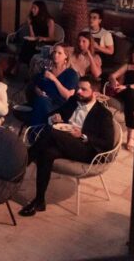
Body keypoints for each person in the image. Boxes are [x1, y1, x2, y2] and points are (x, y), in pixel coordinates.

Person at [19, 77, 115, 217]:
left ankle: (20, 164)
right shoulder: (73, 101)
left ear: (94, 93)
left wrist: (83, 135)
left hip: (86, 149)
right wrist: (54, 118)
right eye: (78, 88)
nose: (79, 91)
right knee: (46, 152)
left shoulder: (103, 114)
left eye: (83, 89)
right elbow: (55, 114)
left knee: (51, 133)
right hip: (63, 142)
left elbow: (107, 143)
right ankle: (39, 201)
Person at [26, 45, 79, 126]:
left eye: (59, 53)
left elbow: (68, 96)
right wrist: (38, 91)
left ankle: (35, 131)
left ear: (66, 57)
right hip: (42, 99)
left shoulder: (71, 73)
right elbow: (36, 84)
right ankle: (37, 131)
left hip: (58, 105)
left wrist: (54, 79)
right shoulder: (48, 68)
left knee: (41, 103)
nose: (55, 55)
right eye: (54, 52)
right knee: (41, 101)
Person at [19, 0, 57, 67]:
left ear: (41, 9)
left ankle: (26, 66)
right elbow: (32, 36)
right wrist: (30, 24)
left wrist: (43, 38)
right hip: (36, 41)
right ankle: (23, 65)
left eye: (34, 8)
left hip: (46, 42)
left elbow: (52, 38)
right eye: (32, 8)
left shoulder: (49, 21)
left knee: (29, 46)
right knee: (27, 43)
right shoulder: (34, 19)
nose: (32, 10)